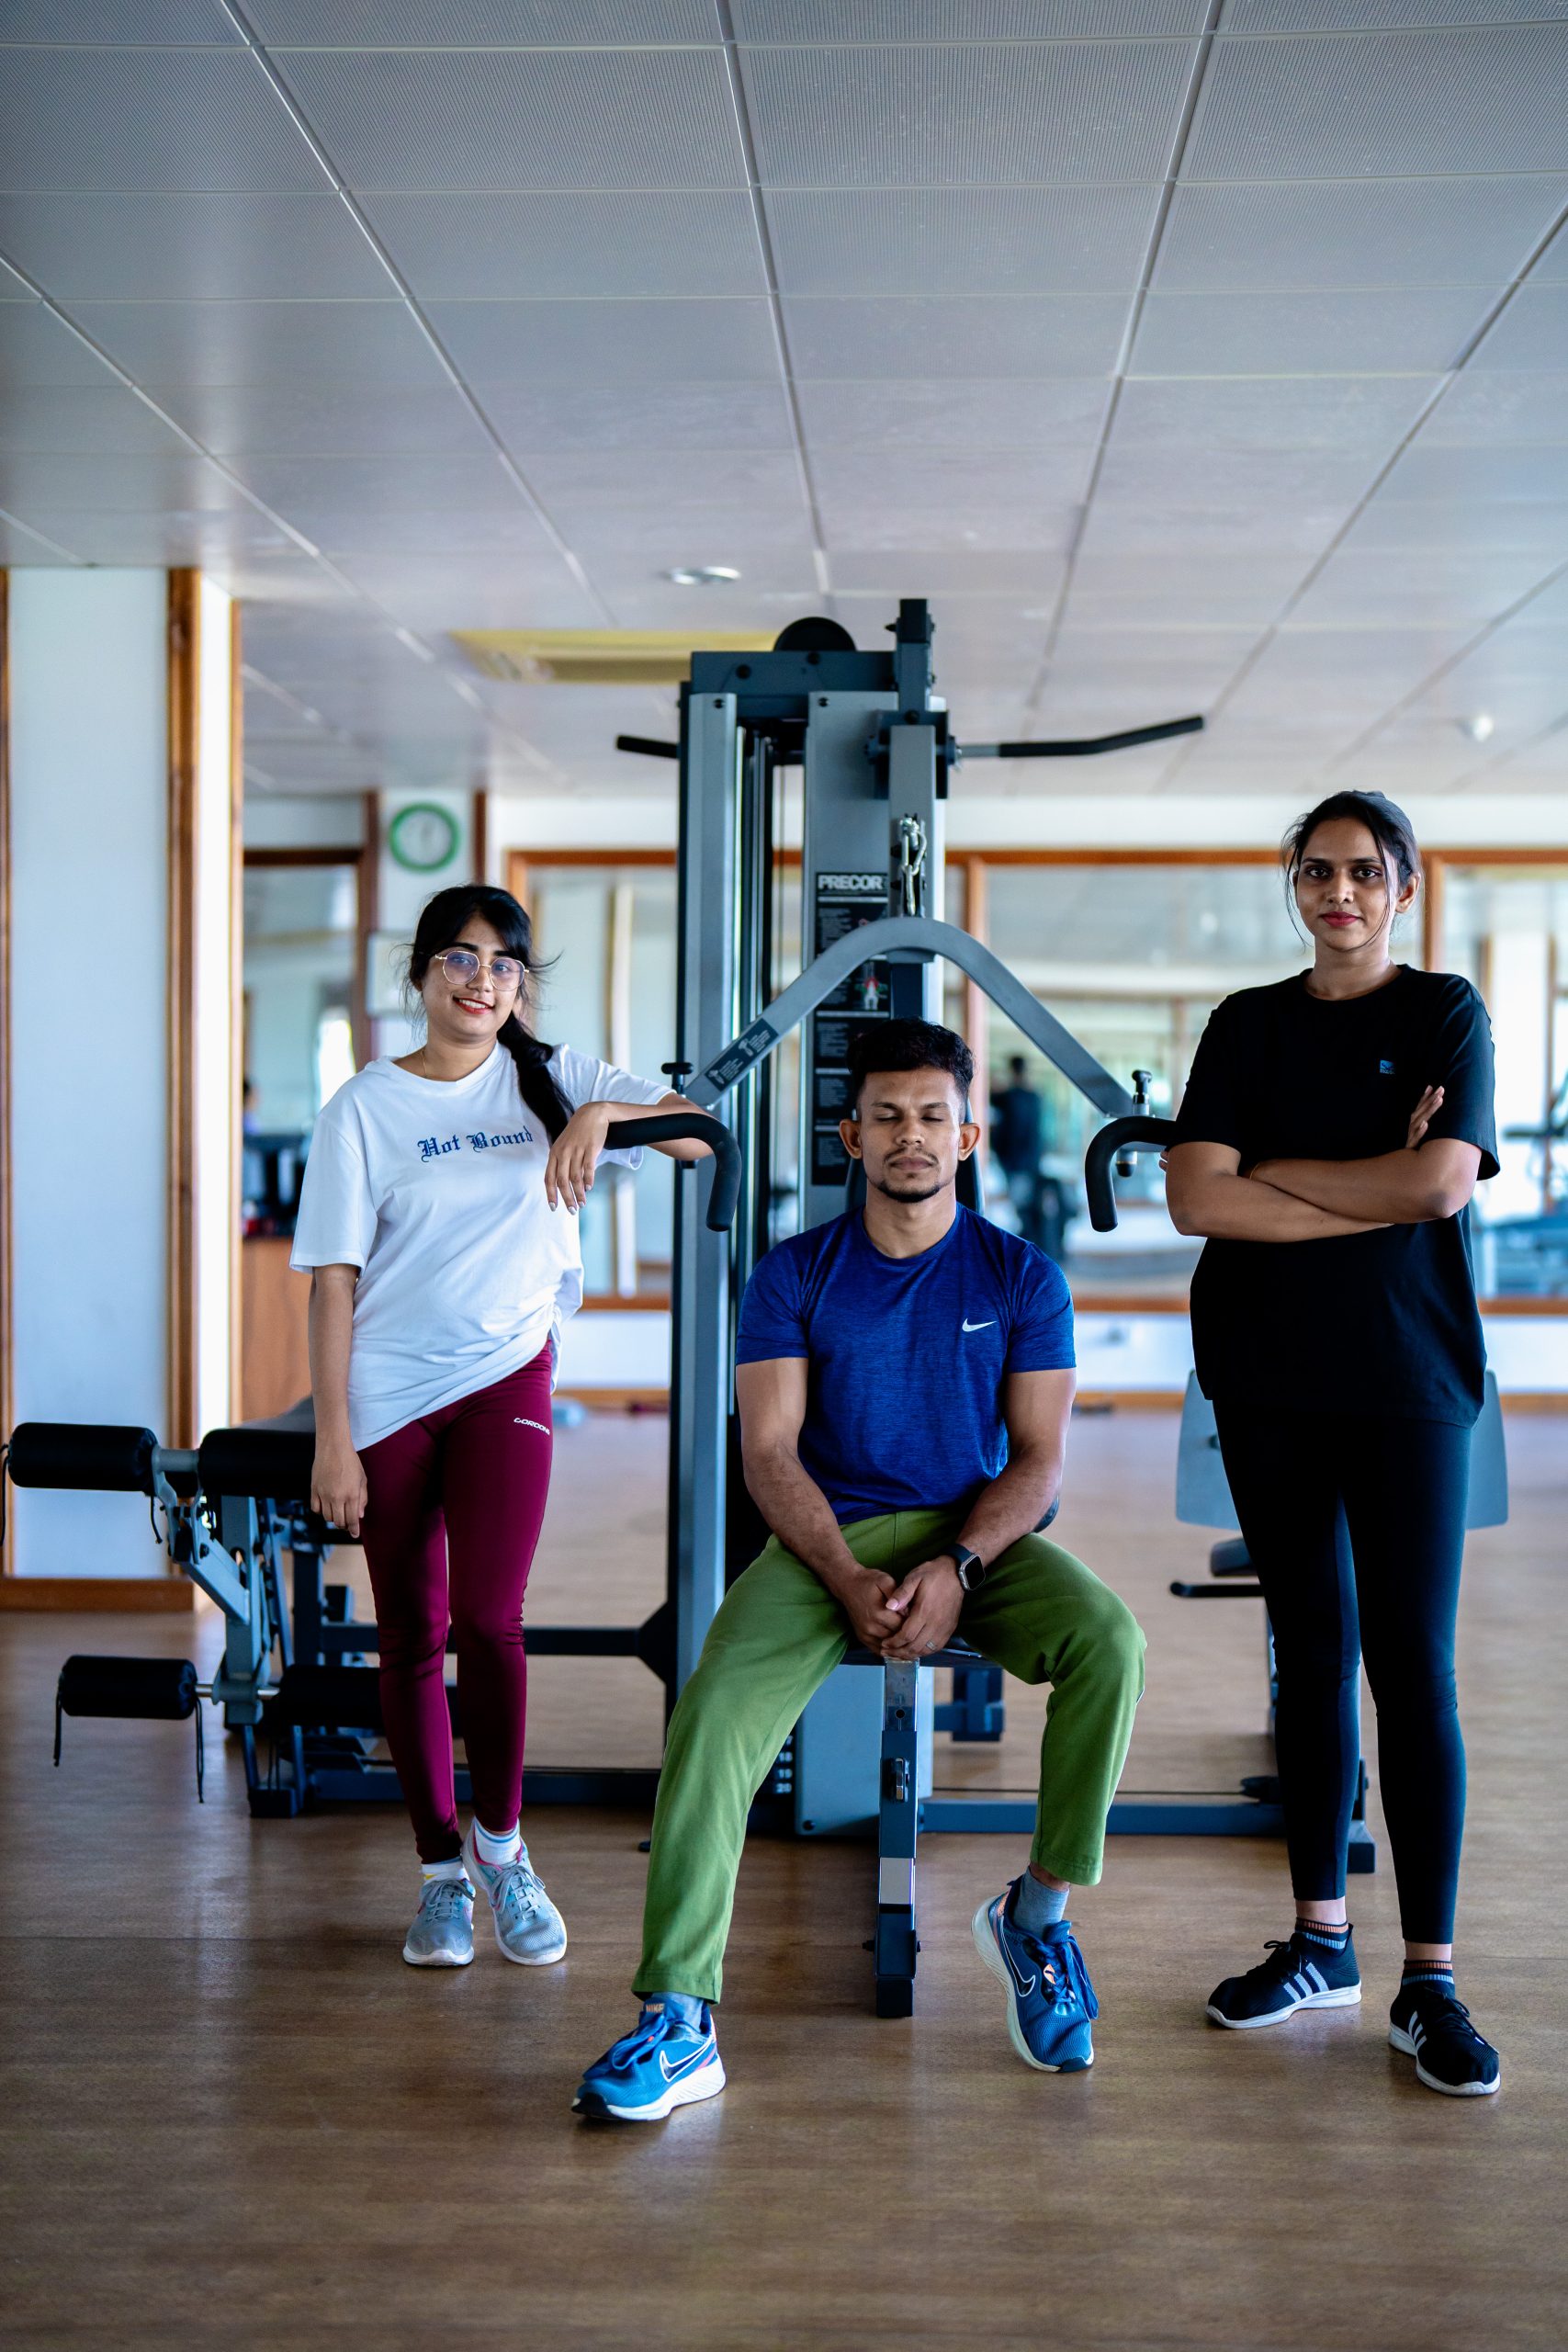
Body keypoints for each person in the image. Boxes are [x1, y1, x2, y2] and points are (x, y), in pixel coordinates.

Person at [574, 1018, 1145, 2122]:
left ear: (968, 1135)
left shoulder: (1022, 1277)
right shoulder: (794, 1274)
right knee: (713, 1714)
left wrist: (959, 1566)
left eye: (932, 1115)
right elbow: (769, 1453)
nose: (909, 1135)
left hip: (972, 1536)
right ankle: (679, 2016)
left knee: (1110, 1641)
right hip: (822, 1541)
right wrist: (842, 1576)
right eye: (886, 1115)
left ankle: (1036, 1918)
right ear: (852, 1135)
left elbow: (1038, 1462)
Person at [290, 883, 708, 1971]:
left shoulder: (556, 1076)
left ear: (521, 982)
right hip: (387, 1393)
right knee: (409, 1634)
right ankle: (440, 1874)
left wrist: (601, 1115)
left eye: (504, 964)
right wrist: (332, 1439)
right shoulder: (363, 1108)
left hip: (507, 1372)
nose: (482, 981)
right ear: (422, 972)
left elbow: (702, 1136)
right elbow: (333, 1283)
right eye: (461, 959)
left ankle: (504, 1850)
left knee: (488, 1618)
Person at [1164, 791, 1502, 2098]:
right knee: (1309, 1657)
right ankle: (1319, 1942)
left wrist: (1275, 1174)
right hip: (1266, 1379)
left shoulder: (1445, 1011)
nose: (1339, 892)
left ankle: (1429, 1980)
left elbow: (1439, 1183)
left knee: (1412, 1667)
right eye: (1316, 871)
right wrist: (1368, 1183)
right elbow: (1195, 1197)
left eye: (1363, 871)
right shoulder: (1244, 1024)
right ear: (1293, 886)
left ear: (1402, 887)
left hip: (1408, 1379)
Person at [990, 1053, 1049, 1250]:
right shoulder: (1035, 1097)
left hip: (1015, 1160)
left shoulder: (1008, 1097)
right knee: (1024, 1204)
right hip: (1030, 1160)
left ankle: (1025, 1246)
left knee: (1020, 1206)